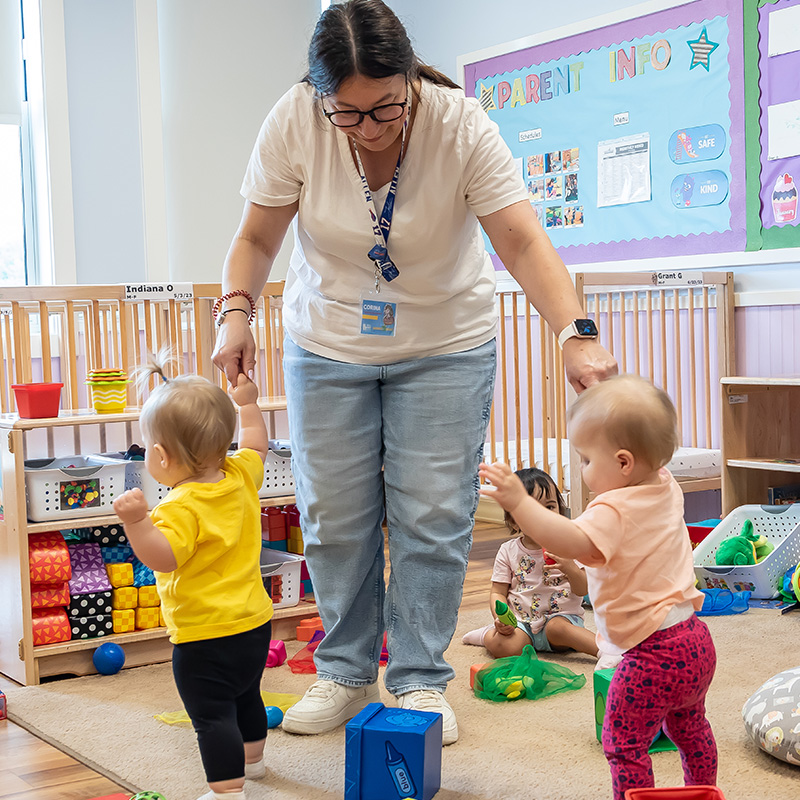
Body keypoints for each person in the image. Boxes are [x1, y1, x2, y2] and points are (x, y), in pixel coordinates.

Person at [211, 0, 617, 746]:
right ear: (320, 95)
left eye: (386, 107)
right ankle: (344, 669)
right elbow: (255, 236)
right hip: (326, 343)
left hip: (445, 345)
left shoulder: (459, 124)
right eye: (349, 114)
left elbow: (523, 241)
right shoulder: (295, 120)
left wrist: (575, 331)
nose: (370, 128)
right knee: (334, 520)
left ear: (410, 80)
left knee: (434, 517)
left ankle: (421, 680)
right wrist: (234, 313)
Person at [479, 375, 717, 798]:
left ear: (624, 463)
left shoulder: (612, 509)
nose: (583, 470)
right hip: (695, 642)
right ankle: (703, 788)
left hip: (650, 656)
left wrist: (519, 502)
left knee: (624, 746)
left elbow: (568, 539)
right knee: (691, 726)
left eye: (587, 459)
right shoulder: (665, 484)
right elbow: (644, 434)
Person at [113, 357, 272, 800]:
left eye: (147, 445)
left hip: (204, 634)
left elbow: (162, 559)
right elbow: (257, 443)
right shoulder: (240, 474)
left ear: (161, 456)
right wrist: (248, 403)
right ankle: (254, 762)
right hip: (254, 623)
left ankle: (227, 791)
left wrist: (137, 522)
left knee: (211, 714)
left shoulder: (178, 510)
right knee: (246, 695)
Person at [462, 467, 598, 661]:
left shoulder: (570, 544)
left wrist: (570, 567)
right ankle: (487, 635)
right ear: (513, 520)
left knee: (559, 628)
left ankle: (605, 651)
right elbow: (498, 592)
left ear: (560, 510)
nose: (541, 516)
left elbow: (582, 588)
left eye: (549, 507)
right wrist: (501, 618)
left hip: (562, 620)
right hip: (521, 624)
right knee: (506, 647)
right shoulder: (508, 551)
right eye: (530, 510)